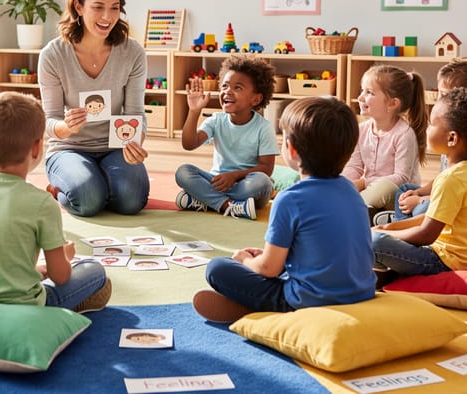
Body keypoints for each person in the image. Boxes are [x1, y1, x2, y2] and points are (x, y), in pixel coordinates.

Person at [193, 97, 375, 323]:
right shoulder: (350, 190)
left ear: (291, 148)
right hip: (360, 294)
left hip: (307, 301)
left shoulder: (290, 199)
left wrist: (245, 261)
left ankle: (263, 313)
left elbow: (269, 269)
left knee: (218, 268)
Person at [0, 91, 111, 312]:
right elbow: (61, 276)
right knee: (95, 271)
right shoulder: (43, 203)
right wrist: (65, 256)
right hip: (21, 303)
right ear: (36, 148)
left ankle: (29, 272)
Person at [39, 0, 150, 217]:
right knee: (88, 202)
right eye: (98, 7)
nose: (107, 17)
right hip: (69, 147)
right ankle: (69, 186)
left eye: (114, 8)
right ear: (78, 7)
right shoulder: (53, 55)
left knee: (132, 202)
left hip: (116, 146)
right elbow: (49, 119)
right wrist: (66, 128)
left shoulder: (132, 52)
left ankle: (96, 181)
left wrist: (136, 142)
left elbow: (135, 113)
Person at [372, 88, 467, 278]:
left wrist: (386, 235)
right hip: (463, 257)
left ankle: (384, 279)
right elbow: (432, 219)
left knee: (375, 242)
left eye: (432, 124)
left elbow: (426, 235)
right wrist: (388, 228)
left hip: (445, 263)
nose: (427, 129)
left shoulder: (451, 179)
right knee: (381, 231)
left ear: (452, 138)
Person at [376, 60, 467, 226]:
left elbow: (456, 193)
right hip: (451, 197)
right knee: (406, 190)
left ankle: (407, 223)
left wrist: (421, 201)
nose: (439, 102)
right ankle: (404, 221)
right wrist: (420, 192)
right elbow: (444, 179)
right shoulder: (453, 137)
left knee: (421, 206)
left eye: (444, 95)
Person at [175, 54, 277, 220]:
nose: (227, 91)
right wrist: (194, 112)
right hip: (216, 182)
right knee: (183, 172)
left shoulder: (263, 128)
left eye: (237, 88)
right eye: (224, 86)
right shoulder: (216, 120)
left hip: (246, 185)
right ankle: (229, 206)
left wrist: (235, 175)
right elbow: (189, 143)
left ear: (256, 98)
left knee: (263, 182)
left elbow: (267, 169)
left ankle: (205, 200)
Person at [342, 65, 427, 215]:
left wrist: (363, 183)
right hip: (371, 191)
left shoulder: (404, 134)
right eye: (362, 90)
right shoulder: (361, 130)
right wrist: (343, 185)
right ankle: (366, 211)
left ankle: (353, 208)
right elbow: (354, 167)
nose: (361, 97)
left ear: (392, 103)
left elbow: (401, 178)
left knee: (384, 188)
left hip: (398, 194)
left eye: (369, 92)